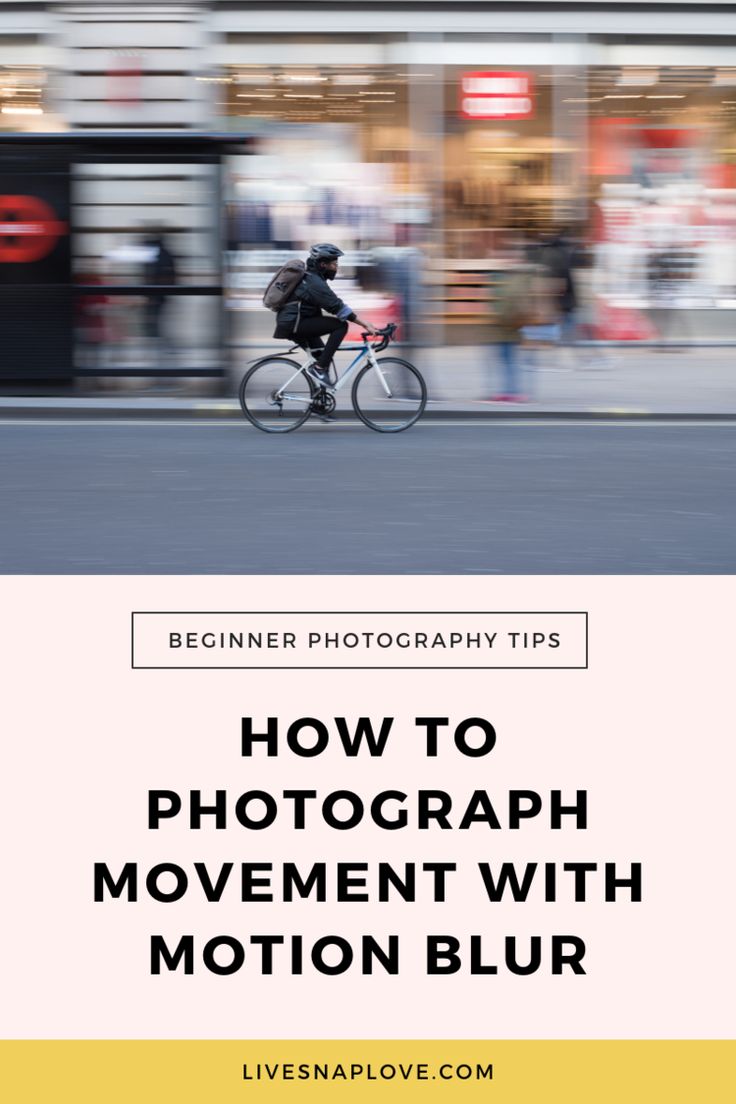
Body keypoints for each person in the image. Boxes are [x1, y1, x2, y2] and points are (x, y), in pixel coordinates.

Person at [273, 243, 378, 386]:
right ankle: (319, 369)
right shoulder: (313, 282)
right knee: (341, 326)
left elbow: (332, 304)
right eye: (334, 263)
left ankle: (318, 400)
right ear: (323, 264)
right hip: (294, 324)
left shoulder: (313, 278)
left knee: (323, 356)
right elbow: (336, 306)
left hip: (296, 323)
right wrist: (365, 324)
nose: (336, 267)